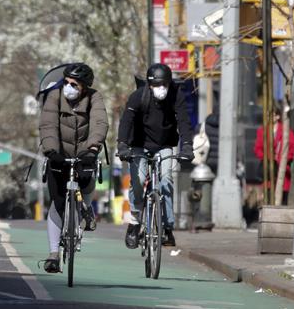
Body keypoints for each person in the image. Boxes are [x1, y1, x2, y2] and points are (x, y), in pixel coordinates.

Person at [38, 63, 108, 273]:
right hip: (59, 154)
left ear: (84, 87)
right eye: (66, 82)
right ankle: (53, 254)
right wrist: (52, 151)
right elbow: (48, 125)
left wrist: (93, 148)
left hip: (85, 153)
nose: (68, 87)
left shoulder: (95, 98)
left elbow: (100, 123)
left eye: (74, 84)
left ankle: (86, 208)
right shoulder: (54, 97)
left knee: (87, 182)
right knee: (57, 202)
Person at [117, 63, 193, 249]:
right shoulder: (138, 96)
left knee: (166, 180)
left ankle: (167, 227)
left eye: (165, 84)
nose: (162, 88)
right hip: (139, 146)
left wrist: (187, 146)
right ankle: (135, 222)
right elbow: (126, 121)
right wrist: (122, 145)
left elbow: (184, 121)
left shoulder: (176, 95)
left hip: (164, 145)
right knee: (138, 180)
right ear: (149, 85)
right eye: (157, 85)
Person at [254, 107, 294, 206]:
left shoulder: (286, 131)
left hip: (282, 169)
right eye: (267, 116)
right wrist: (267, 159)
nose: (269, 118)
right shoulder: (262, 131)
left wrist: (284, 160)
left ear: (277, 116)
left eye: (271, 115)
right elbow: (257, 148)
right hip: (269, 169)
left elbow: (292, 148)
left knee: (283, 197)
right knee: (269, 197)